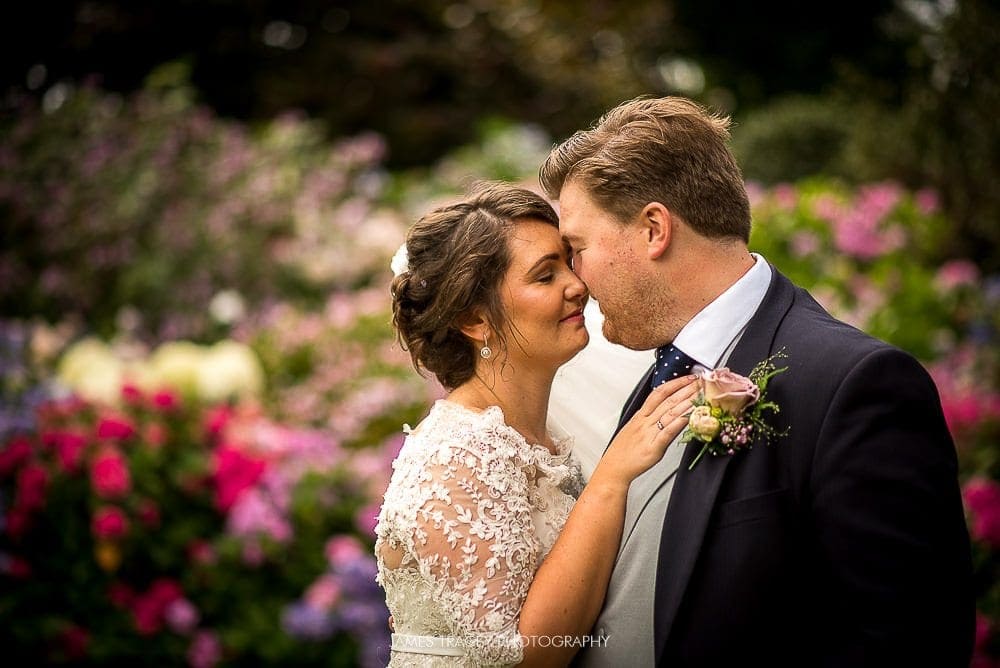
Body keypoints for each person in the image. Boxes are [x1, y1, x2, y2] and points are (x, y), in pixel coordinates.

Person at [538, 95, 975, 667]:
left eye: (577, 249)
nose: (574, 278)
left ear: (652, 230)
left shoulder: (853, 385)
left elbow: (910, 640)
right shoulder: (661, 374)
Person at [374, 182, 699, 666]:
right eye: (546, 276)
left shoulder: (546, 441)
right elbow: (523, 656)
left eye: (569, 262)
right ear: (474, 320)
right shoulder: (455, 455)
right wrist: (610, 480)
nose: (577, 285)